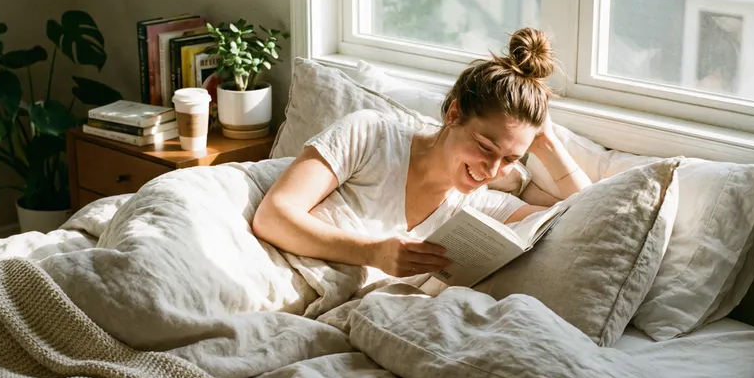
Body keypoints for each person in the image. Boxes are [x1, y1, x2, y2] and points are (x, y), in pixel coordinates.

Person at [252, 28, 591, 279]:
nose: (491, 170)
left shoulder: (477, 207)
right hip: (266, 274)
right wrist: (373, 253)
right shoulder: (371, 135)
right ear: (454, 114)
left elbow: (589, 213)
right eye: (486, 147)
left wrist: (546, 141)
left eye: (510, 159)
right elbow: (273, 215)